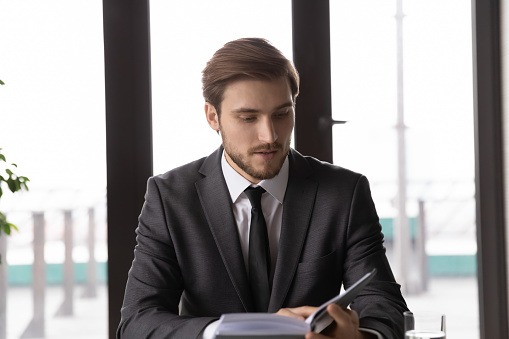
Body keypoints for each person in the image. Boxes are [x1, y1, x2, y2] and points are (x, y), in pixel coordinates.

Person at [117, 38, 408, 339]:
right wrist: (224, 332)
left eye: (282, 114)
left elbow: (385, 306)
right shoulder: (170, 198)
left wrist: (361, 337)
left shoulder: (344, 193)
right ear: (212, 116)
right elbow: (137, 323)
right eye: (248, 117)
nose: (270, 135)